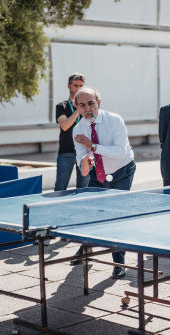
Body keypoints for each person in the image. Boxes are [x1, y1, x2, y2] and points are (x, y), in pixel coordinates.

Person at [72, 87, 136, 279]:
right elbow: (83, 168)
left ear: (99, 103)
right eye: (82, 105)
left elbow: (121, 152)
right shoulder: (77, 130)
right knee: (91, 212)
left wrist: (92, 147)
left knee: (115, 215)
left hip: (123, 171)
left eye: (91, 103)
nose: (87, 108)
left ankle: (118, 263)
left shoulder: (114, 120)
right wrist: (85, 161)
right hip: (97, 174)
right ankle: (87, 247)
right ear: (77, 108)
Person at [54, 73, 89, 191]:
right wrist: (77, 112)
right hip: (66, 151)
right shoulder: (61, 106)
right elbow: (64, 126)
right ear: (69, 86)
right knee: (60, 187)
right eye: (75, 85)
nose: (78, 88)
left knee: (84, 188)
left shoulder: (87, 106)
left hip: (84, 151)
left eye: (81, 86)